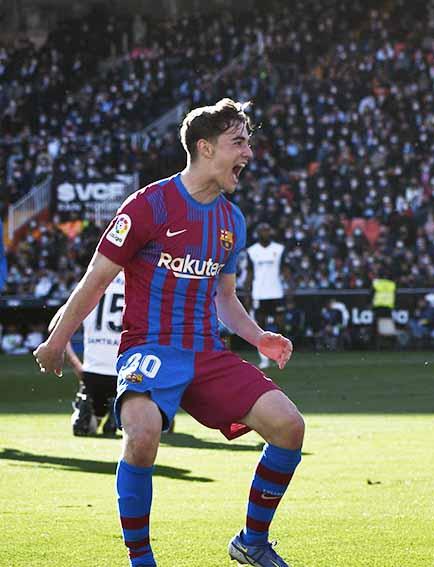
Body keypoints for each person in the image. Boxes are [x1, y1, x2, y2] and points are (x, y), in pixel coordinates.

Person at [32, 99, 302, 567]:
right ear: (204, 147)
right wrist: (59, 339)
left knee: (289, 426)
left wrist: (258, 337)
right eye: (238, 142)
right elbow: (96, 277)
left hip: (206, 353)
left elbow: (224, 299)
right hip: (149, 346)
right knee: (142, 434)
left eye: (249, 143)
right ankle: (141, 559)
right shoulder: (148, 205)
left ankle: (251, 542)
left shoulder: (231, 221)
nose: (249, 153)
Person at [63, 272, 126, 436]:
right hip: (125, 373)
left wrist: (76, 364)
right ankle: (121, 415)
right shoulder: (140, 282)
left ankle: (89, 415)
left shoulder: (91, 283)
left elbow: (55, 326)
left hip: (91, 373)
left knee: (89, 423)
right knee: (158, 416)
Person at [245, 223, 286, 368]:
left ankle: (281, 354)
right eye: (262, 231)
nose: (265, 233)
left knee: (280, 325)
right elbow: (250, 273)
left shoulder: (279, 249)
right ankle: (264, 358)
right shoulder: (252, 251)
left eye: (267, 230)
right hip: (259, 293)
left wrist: (290, 290)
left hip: (276, 292)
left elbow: (285, 270)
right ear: (258, 233)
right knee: (260, 328)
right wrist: (247, 293)